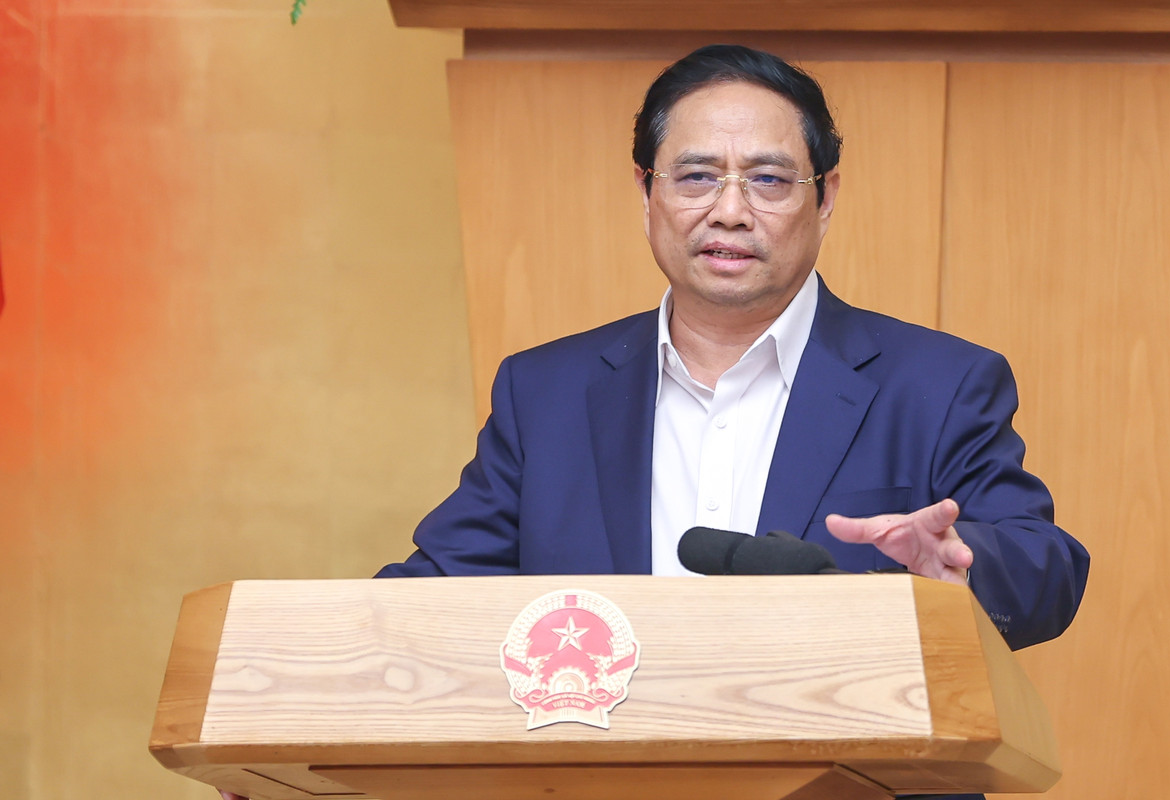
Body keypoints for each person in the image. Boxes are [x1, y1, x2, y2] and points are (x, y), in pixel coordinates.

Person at [222, 44, 1090, 800]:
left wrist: (960, 573)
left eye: (769, 179)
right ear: (647, 191)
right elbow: (430, 597)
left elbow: (1048, 568)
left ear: (825, 197)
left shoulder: (938, 382)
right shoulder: (546, 392)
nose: (730, 210)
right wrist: (289, 724)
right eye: (697, 175)